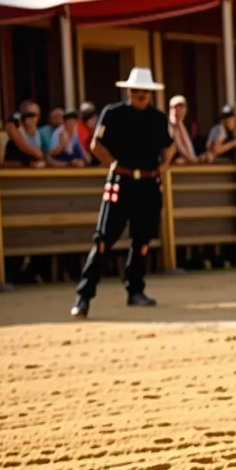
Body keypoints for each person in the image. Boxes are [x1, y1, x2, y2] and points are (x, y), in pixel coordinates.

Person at [71, 68, 175, 319]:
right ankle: (84, 296)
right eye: (137, 92)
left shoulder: (157, 118)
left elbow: (169, 146)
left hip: (148, 182)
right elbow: (96, 144)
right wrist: (113, 165)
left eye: (145, 93)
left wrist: (164, 165)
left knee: (142, 240)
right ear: (129, 92)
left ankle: (135, 290)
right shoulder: (113, 113)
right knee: (104, 239)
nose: (142, 96)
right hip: (122, 180)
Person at [168, 94, 199, 164]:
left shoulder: (188, 127)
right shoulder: (167, 127)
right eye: (174, 107)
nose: (178, 110)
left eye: (182, 107)